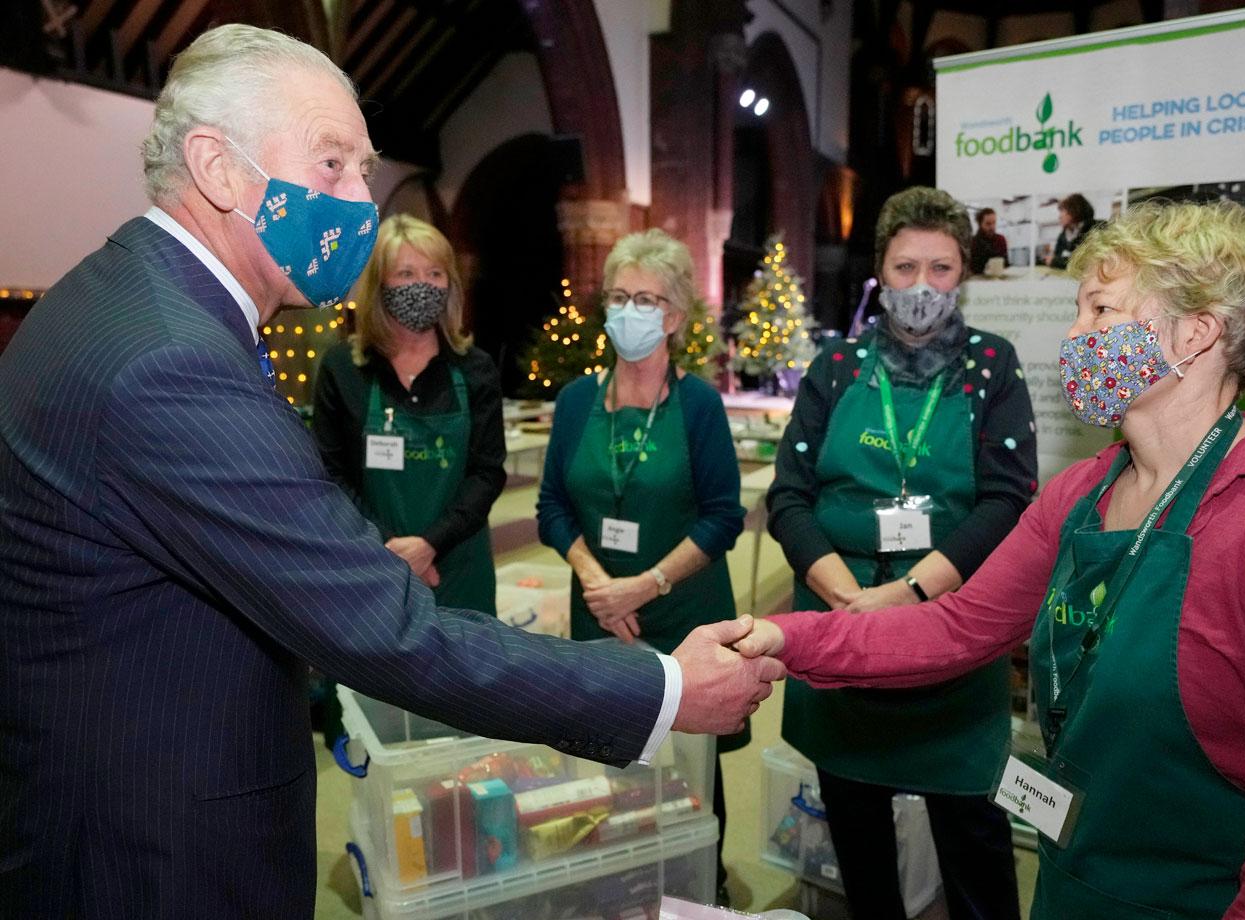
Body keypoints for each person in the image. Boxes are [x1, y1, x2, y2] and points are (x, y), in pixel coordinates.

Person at [0, 25, 783, 919]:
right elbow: (390, 630)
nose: (357, 201)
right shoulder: (170, 360)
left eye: (362, 170)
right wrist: (666, 688)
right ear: (216, 167)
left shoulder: (132, 302)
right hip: (144, 854)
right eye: (330, 164)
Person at [742, 200, 1245, 920]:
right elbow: (957, 629)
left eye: (1100, 311)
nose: (1075, 336)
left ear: (1198, 333)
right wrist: (785, 637)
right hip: (1070, 882)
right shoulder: (1083, 493)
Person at [766, 186, 1035, 920]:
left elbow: (1007, 499)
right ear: (880, 274)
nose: (922, 287)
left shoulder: (992, 367)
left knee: (971, 834)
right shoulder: (837, 368)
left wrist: (910, 594)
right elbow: (788, 497)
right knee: (856, 828)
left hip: (949, 629)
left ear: (964, 276)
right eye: (906, 266)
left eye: (941, 269)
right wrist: (844, 597)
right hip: (841, 630)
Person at [537, 229, 746, 902]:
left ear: (676, 316)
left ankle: (695, 894)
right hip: (600, 618)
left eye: (648, 299)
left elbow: (722, 516)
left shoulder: (700, 405)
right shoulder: (575, 403)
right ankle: (612, 896)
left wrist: (645, 585)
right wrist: (601, 585)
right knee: (605, 776)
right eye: (620, 296)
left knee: (690, 781)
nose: (631, 311)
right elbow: (551, 508)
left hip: (683, 621)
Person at [313, 213, 503, 613]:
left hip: (457, 566)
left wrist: (430, 545)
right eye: (406, 273)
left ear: (450, 284)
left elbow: (487, 473)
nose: (423, 285)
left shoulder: (475, 368)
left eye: (435, 273)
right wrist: (392, 548)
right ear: (379, 284)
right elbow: (330, 475)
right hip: (371, 563)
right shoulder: (343, 369)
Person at [1045, 192, 1096, 269]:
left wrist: (1055, 261)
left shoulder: (1094, 228)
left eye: (1062, 211)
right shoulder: (1063, 235)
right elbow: (1058, 256)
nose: (1059, 216)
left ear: (1074, 211)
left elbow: (1085, 262)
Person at [971, 207, 1008, 274]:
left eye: (994, 222)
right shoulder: (973, 242)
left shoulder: (1001, 240)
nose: (992, 227)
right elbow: (973, 268)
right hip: (979, 280)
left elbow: (1006, 264)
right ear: (980, 224)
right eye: (988, 224)